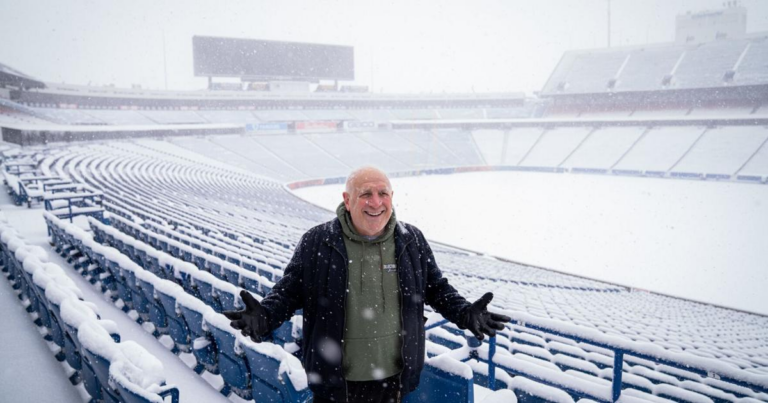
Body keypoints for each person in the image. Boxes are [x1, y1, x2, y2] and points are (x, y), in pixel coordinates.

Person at [224, 166, 510, 403]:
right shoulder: (318, 241)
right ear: (347, 200)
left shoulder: (411, 240)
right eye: (366, 194)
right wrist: (265, 315)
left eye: (383, 193)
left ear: (392, 197)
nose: (376, 202)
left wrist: (464, 313)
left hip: (394, 382)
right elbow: (288, 292)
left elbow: (436, 287)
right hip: (335, 384)